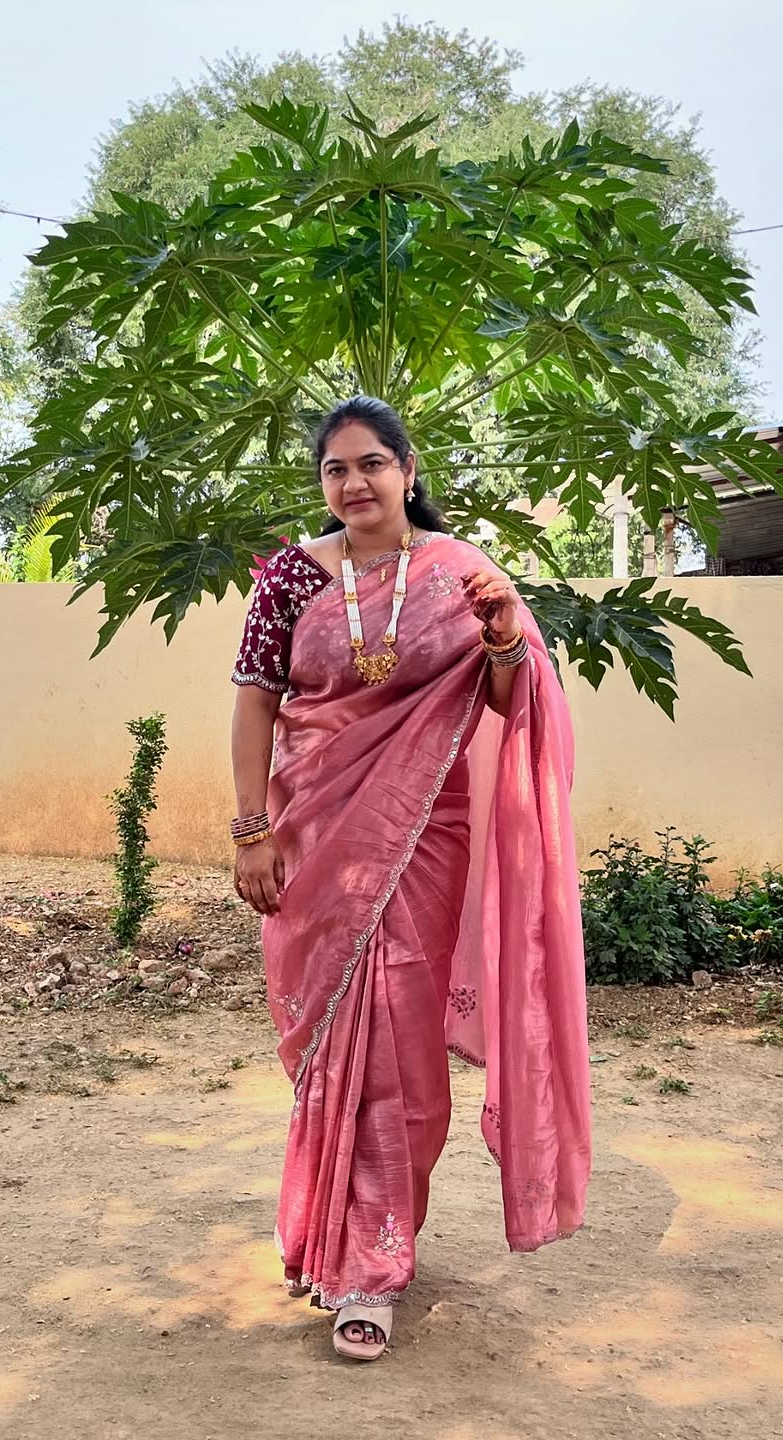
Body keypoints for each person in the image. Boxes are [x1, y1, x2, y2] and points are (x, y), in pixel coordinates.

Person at [230, 396, 590, 1362]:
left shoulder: (462, 572)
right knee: (332, 1048)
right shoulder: (288, 579)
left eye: (372, 464)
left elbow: (508, 699)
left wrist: (506, 637)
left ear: (408, 469)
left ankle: (373, 1266)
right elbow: (255, 703)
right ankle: (329, 1235)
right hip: (312, 837)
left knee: (402, 1054)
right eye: (335, 469)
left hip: (426, 835)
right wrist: (252, 829)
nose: (354, 483)